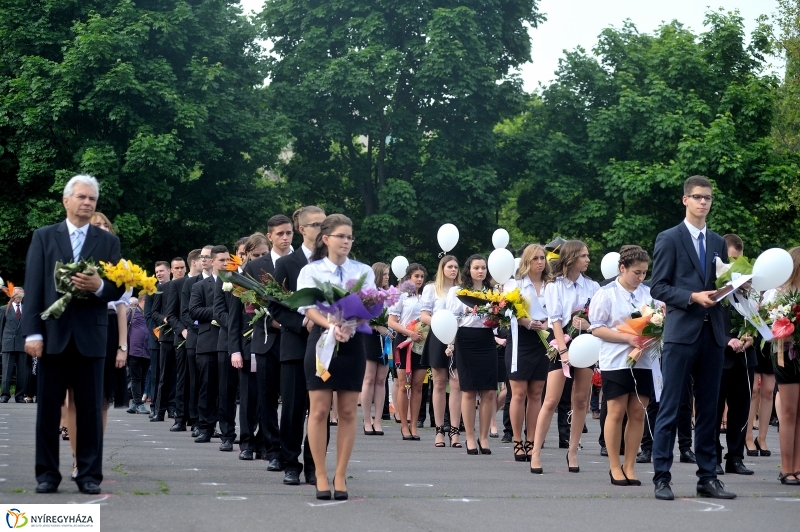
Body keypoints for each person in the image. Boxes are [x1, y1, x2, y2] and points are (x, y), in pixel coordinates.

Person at [22, 174, 125, 495]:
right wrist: (32, 334)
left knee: (91, 410)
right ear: (66, 200)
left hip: (91, 338)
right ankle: (47, 475)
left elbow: (118, 288)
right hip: (52, 337)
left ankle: (89, 474)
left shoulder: (107, 241)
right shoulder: (44, 236)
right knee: (48, 410)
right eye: (81, 197)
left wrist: (99, 286)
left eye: (92, 198)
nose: (87, 203)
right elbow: (34, 287)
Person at [650, 175, 733, 500]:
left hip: (713, 334)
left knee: (709, 410)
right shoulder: (669, 238)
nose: (703, 202)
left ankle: (708, 478)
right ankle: (662, 478)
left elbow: (718, 282)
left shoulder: (717, 242)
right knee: (670, 407)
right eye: (697, 197)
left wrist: (734, 288)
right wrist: (691, 297)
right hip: (681, 333)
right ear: (685, 200)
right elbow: (658, 287)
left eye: (707, 198)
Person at [298, 214, 375, 500]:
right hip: (322, 341)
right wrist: (331, 325)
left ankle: (340, 474)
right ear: (326, 239)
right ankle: (320, 473)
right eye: (341, 236)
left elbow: (370, 305)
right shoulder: (312, 270)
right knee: (319, 410)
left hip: (353, 343)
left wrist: (351, 324)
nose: (346, 241)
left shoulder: (362, 270)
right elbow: (307, 308)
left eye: (350, 237)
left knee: (347, 411)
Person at [529, 240, 599, 474]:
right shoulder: (554, 286)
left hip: (586, 343)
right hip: (562, 343)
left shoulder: (592, 286)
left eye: (587, 255)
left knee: (580, 400)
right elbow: (556, 320)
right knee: (551, 400)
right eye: (583, 256)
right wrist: (563, 350)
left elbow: (598, 319)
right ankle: (535, 452)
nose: (588, 259)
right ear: (571, 258)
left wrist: (589, 325)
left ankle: (572, 452)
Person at [269, 206, 326, 484]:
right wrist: (303, 322)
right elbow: (276, 306)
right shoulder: (287, 264)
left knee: (320, 409)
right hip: (295, 345)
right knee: (292, 408)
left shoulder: (334, 262)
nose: (323, 229)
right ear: (302, 229)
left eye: (325, 224)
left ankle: (315, 465)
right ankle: (291, 462)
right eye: (316, 224)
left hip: (324, 347)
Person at [589, 245, 655, 486]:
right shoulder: (606, 293)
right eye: (636, 272)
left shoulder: (649, 293)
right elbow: (597, 328)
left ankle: (630, 466)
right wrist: (627, 338)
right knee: (616, 412)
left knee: (638, 413)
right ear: (622, 268)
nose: (641, 277)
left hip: (644, 361)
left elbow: (658, 321)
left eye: (644, 272)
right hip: (615, 360)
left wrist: (654, 333)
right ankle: (614, 466)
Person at [445, 254, 497, 455]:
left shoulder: (492, 292)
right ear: (469, 270)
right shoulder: (457, 291)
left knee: (489, 391)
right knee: (468, 390)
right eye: (476, 268)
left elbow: (499, 319)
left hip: (486, 339)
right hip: (465, 339)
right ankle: (469, 437)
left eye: (483, 268)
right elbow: (451, 318)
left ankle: (483, 437)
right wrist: (450, 343)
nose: (481, 271)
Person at [714, 234, 756, 476]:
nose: (735, 267)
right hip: (719, 355)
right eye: (731, 260)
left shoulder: (748, 288)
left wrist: (751, 336)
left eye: (739, 261)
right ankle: (713, 457)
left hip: (745, 356)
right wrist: (725, 339)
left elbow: (758, 317)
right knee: (714, 408)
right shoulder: (713, 285)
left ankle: (736, 457)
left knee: (741, 409)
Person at [505, 244, 552, 462]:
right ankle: (517, 441)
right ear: (526, 261)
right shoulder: (516, 284)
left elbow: (557, 311)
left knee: (536, 392)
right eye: (535, 258)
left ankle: (532, 440)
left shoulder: (551, 284)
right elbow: (507, 312)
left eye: (542, 258)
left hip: (543, 337)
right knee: (519, 392)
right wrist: (526, 322)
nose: (540, 262)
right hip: (521, 338)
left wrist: (547, 324)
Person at [762, 247, 800, 485]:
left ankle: (798, 466)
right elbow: (767, 328)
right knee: (788, 411)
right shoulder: (778, 292)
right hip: (786, 354)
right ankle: (786, 468)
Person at [230, 233, 269, 460]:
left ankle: (264, 442)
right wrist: (235, 350)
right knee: (248, 397)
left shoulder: (274, 279)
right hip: (246, 346)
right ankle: (246, 442)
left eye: (264, 254)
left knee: (267, 397)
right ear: (247, 256)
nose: (260, 259)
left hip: (268, 345)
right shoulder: (239, 281)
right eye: (256, 255)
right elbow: (234, 320)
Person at [420, 255, 463, 448]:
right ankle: (439, 430)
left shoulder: (461, 289)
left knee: (456, 384)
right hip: (438, 335)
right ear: (442, 269)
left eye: (456, 267)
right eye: (450, 266)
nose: (453, 270)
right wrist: (441, 322)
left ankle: (454, 431)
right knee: (438, 383)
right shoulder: (431, 289)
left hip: (458, 336)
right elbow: (424, 316)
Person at [190, 245, 228, 443]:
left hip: (227, 341)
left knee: (226, 389)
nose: (225, 264)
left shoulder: (234, 283)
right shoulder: (200, 286)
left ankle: (227, 429)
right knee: (207, 387)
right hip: (208, 341)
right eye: (221, 260)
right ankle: (205, 427)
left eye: (227, 260)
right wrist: (218, 311)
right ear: (212, 262)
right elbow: (194, 311)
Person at [389, 263, 427, 441]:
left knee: (418, 386)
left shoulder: (425, 298)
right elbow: (392, 321)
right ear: (409, 278)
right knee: (404, 384)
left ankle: (414, 425)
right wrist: (409, 333)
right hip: (404, 341)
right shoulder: (401, 296)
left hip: (421, 343)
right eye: (416, 276)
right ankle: (404, 425)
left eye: (422, 277)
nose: (419, 279)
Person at [182, 246, 213, 436]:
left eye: (207, 256)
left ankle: (210, 421)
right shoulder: (192, 283)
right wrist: (198, 326)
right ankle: (196, 420)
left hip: (216, 336)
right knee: (197, 381)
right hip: (196, 335)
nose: (204, 259)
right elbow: (186, 312)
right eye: (202, 256)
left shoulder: (223, 281)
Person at [361, 262, 392, 437]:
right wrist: (376, 326)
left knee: (381, 379)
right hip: (370, 337)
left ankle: (378, 420)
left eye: (388, 274)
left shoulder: (390, 294)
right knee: (369, 378)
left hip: (385, 337)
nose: (387, 277)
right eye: (385, 274)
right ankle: (367, 420)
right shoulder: (368, 294)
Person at [1, 287, 28, 403]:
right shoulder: (4, 309)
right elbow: (1, 328)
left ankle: (19, 395)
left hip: (22, 344)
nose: (18, 298)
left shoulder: (26, 309)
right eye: (17, 296)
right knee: (7, 371)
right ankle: (5, 394)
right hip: (8, 343)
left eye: (21, 296)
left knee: (22, 372)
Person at [126, 295, 150, 414]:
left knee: (143, 378)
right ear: (144, 300)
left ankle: (135, 404)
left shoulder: (150, 313)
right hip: (134, 350)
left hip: (147, 350)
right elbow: (123, 326)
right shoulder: (133, 311)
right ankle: (139, 403)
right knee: (136, 378)